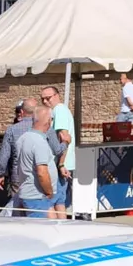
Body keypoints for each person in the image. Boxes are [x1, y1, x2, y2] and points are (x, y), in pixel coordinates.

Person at [11, 106, 59, 218]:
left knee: (53, 225)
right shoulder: (38, 142)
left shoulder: (23, 138)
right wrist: (49, 192)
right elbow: (42, 172)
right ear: (48, 121)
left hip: (29, 193)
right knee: (43, 231)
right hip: (37, 196)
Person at [41, 85, 77, 219]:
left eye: (47, 98)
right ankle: (62, 228)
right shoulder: (60, 110)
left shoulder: (59, 110)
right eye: (42, 99)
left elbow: (64, 137)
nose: (45, 102)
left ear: (57, 96)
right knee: (59, 201)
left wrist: (61, 164)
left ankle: (56, 229)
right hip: (61, 163)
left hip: (59, 164)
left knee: (53, 201)